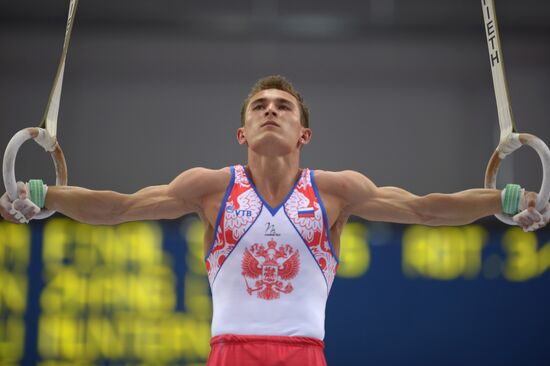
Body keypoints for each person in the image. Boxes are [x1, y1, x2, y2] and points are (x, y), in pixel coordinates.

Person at [1, 75, 548, 366]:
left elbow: (427, 208)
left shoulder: (336, 192)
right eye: (259, 106)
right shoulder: (210, 188)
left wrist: (504, 201)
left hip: (305, 355)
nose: (270, 111)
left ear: (303, 134)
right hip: (228, 355)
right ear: (241, 134)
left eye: (283, 107)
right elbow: (118, 207)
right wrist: (44, 193)